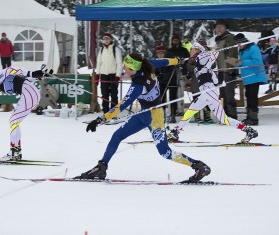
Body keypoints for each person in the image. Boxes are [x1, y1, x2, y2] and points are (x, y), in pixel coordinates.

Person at [76, 53, 210, 183]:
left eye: (125, 66)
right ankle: (101, 167)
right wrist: (177, 61)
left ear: (133, 69)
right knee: (117, 136)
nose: (123, 68)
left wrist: (100, 120)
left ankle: (199, 166)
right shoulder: (147, 64)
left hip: (155, 117)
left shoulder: (138, 86)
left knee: (165, 152)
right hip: (143, 114)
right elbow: (166, 61)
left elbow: (121, 106)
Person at [168, 43, 259, 143]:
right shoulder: (199, 61)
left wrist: (213, 53)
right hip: (206, 92)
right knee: (191, 112)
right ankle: (176, 132)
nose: (190, 51)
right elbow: (215, 81)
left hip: (208, 91)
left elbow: (213, 55)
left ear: (198, 50)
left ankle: (249, 131)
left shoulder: (201, 56)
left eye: (192, 49)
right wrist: (208, 70)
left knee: (222, 119)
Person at [0, 67, 52, 160]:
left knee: (13, 121)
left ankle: (14, 152)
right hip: (29, 92)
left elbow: (9, 70)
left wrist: (30, 73)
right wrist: (37, 76)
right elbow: (23, 81)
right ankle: (16, 152)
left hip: (29, 93)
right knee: (14, 121)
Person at [226, 34, 268, 126]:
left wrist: (242, 62)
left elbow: (257, 61)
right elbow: (243, 64)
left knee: (252, 97)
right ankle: (249, 117)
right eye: (237, 44)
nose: (239, 45)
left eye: (239, 43)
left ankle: (254, 118)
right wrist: (236, 63)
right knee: (248, 96)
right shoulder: (242, 51)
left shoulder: (253, 48)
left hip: (255, 76)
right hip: (247, 77)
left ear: (244, 41)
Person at [214, 20, 238, 119]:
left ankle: (232, 115)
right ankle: (224, 114)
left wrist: (232, 68)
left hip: (229, 71)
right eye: (217, 27)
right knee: (222, 93)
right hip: (220, 71)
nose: (219, 29)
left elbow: (233, 53)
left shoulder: (230, 37)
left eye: (221, 27)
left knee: (229, 94)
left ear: (225, 28)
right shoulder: (217, 40)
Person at [96, 33, 122, 113]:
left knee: (114, 94)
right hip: (104, 74)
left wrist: (118, 75)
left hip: (113, 74)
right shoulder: (101, 49)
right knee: (104, 94)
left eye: (107, 39)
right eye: (105, 39)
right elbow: (99, 62)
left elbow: (119, 63)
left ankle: (113, 112)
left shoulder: (116, 49)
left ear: (110, 40)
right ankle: (105, 111)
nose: (106, 41)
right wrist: (97, 74)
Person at [166, 35, 189, 122]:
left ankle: (181, 110)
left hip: (181, 73)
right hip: (172, 74)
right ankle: (172, 113)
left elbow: (188, 60)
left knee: (181, 93)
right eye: (174, 40)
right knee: (172, 94)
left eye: (177, 40)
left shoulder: (184, 50)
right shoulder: (169, 51)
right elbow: (166, 62)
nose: (175, 42)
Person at [0, 32, 15, 112]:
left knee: (9, 67)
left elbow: (11, 48)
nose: (3, 37)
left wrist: (13, 54)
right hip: (2, 56)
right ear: (1, 36)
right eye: (2, 36)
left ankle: (9, 73)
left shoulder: (9, 42)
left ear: (6, 36)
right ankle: (4, 74)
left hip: (8, 56)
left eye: (4, 36)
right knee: (3, 67)